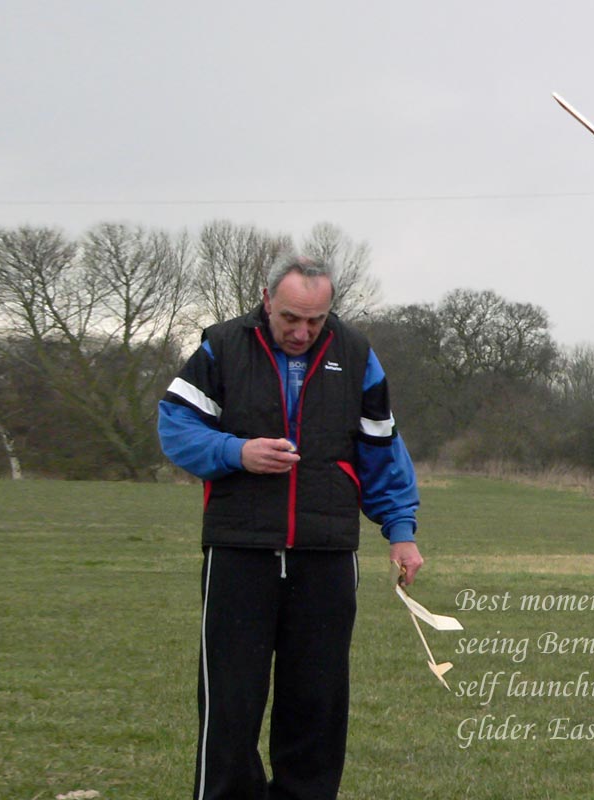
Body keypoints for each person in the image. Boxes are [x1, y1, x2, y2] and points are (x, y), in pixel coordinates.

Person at [158, 255, 423, 800]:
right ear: (266, 300)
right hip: (240, 548)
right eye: (290, 319)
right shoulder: (222, 347)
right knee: (231, 703)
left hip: (326, 552)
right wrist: (236, 451)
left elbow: (381, 449)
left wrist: (401, 529)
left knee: (317, 705)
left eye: (315, 321)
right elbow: (175, 427)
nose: (301, 332)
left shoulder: (357, 355)